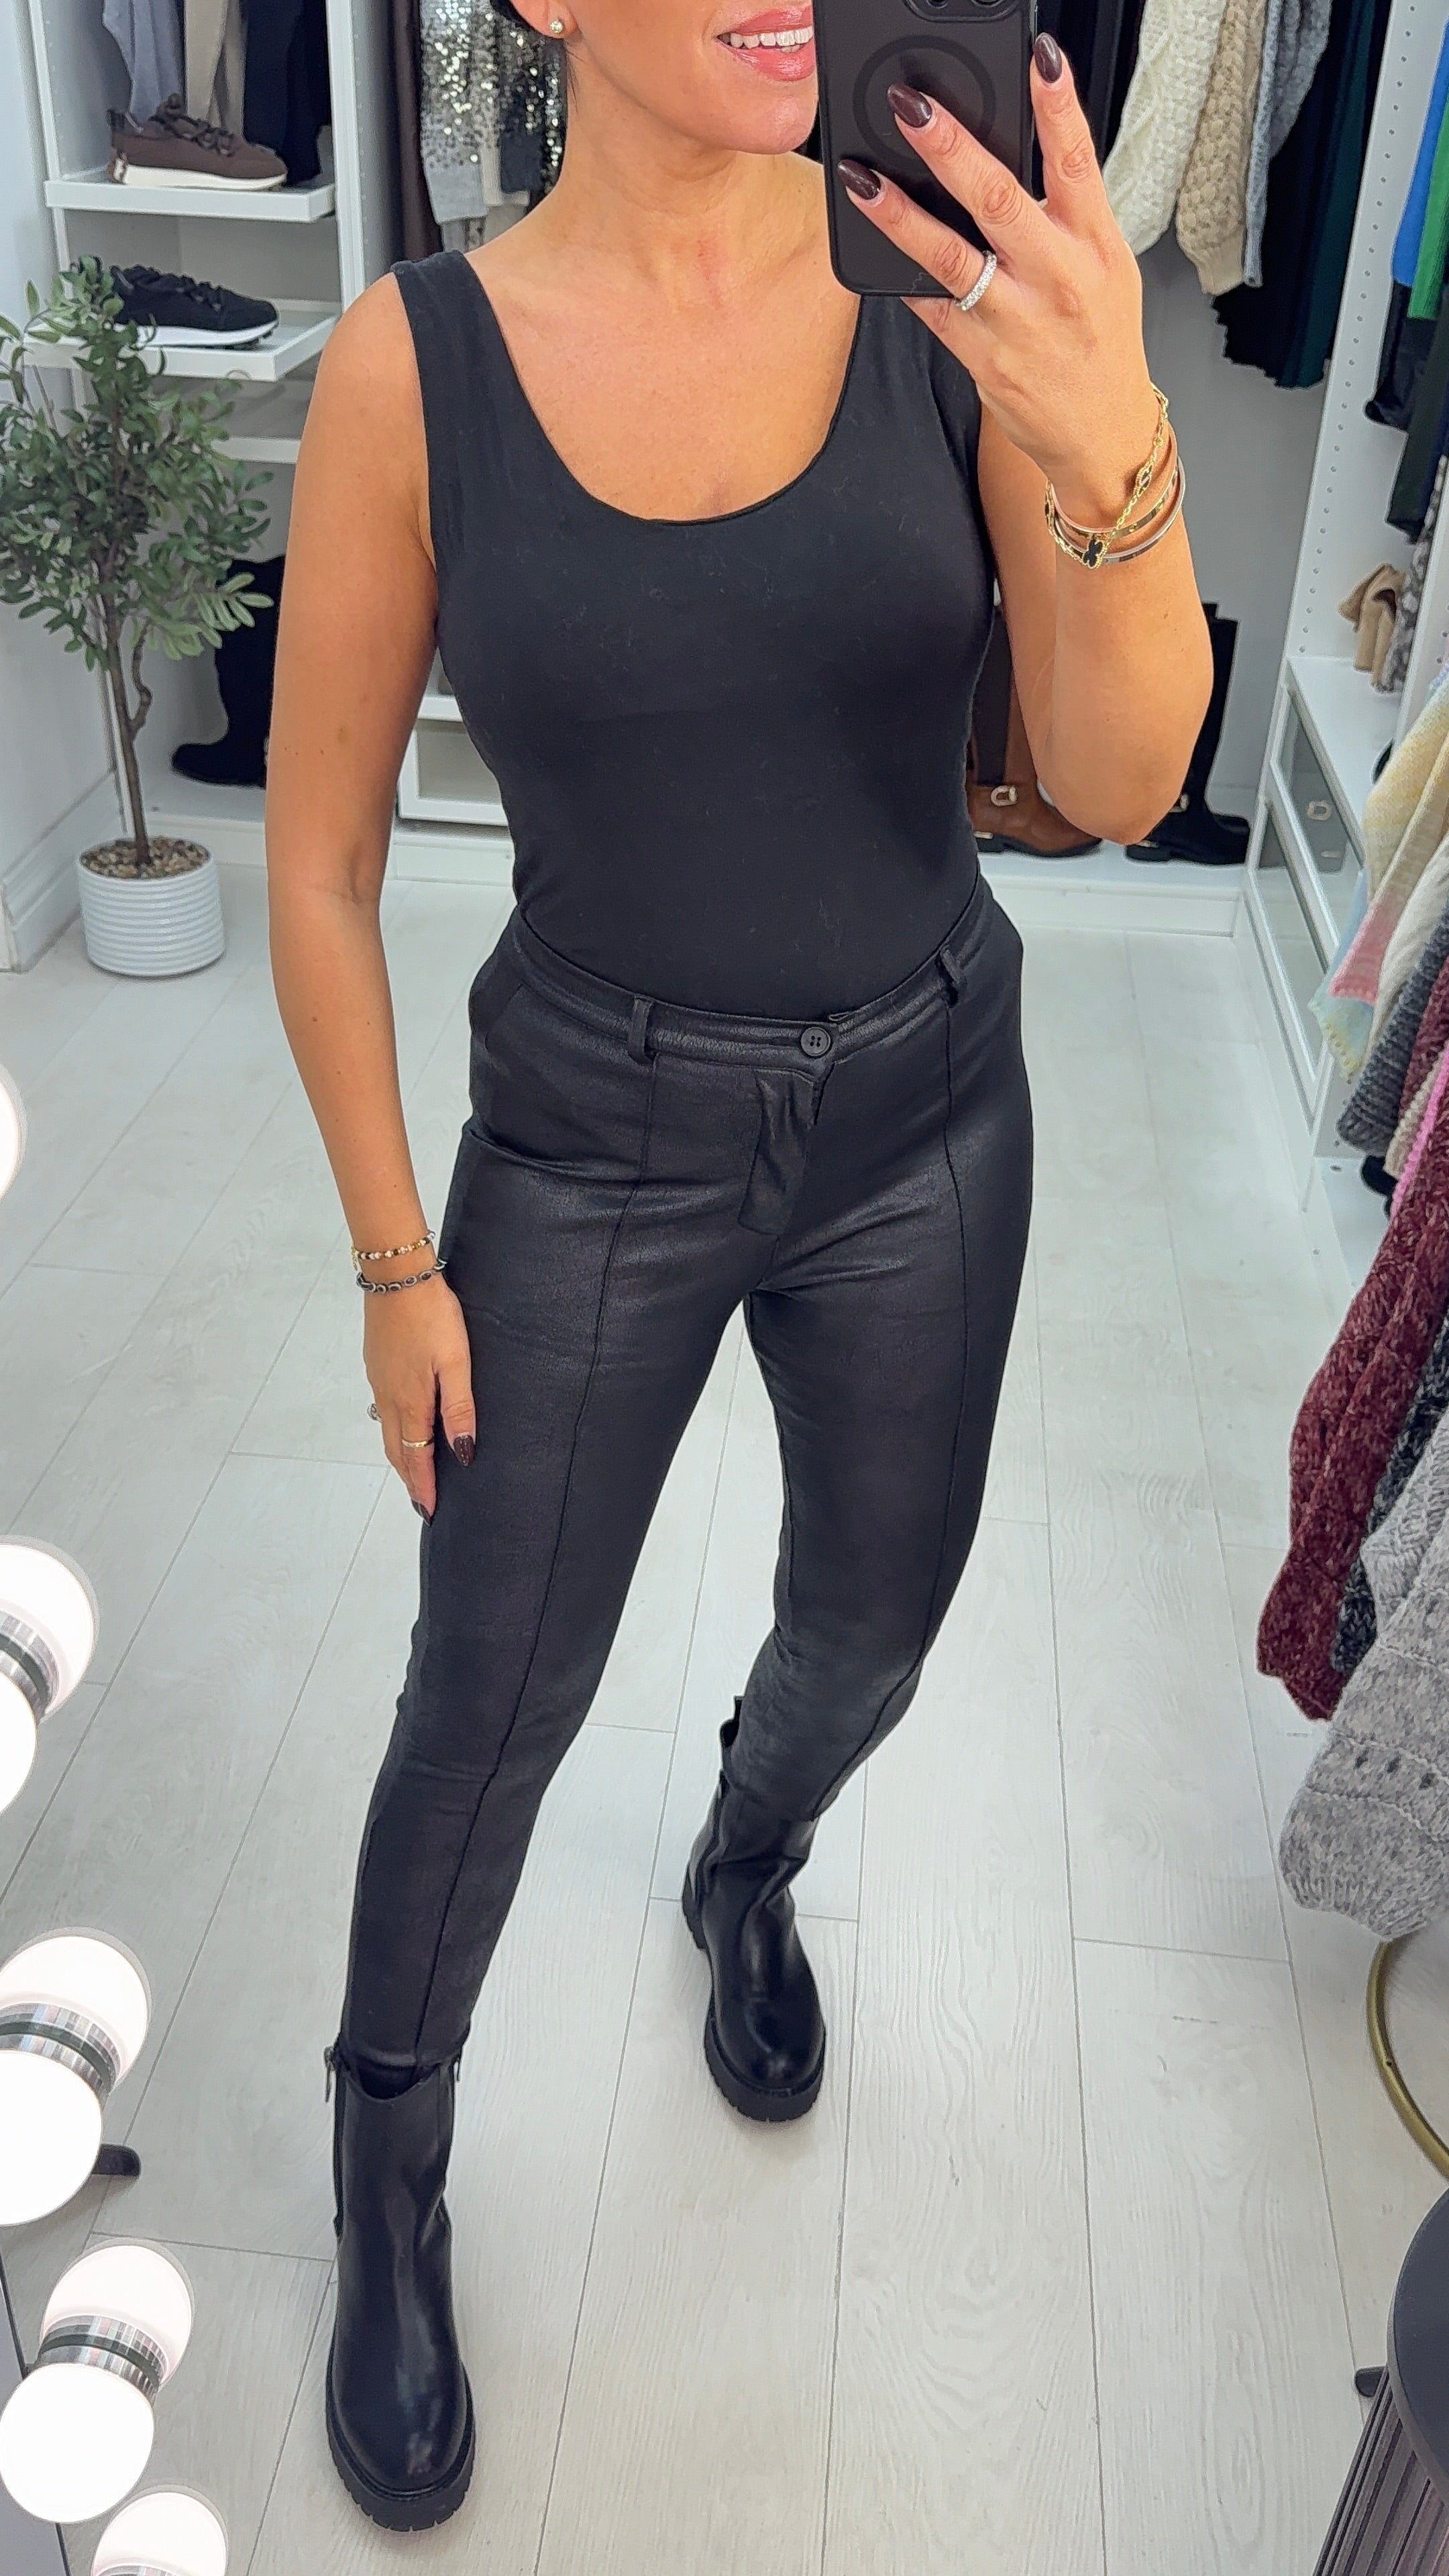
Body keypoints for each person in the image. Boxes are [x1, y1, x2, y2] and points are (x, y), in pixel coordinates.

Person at [266, 0, 1210, 2530]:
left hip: (929, 1105)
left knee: (876, 1623)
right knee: (488, 1702)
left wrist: (1106, 428)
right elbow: (322, 866)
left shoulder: (934, 289)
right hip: (591, 1141)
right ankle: (385, 2161)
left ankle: (747, 1861)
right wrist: (393, 1261)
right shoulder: (417, 367)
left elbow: (1119, 780)